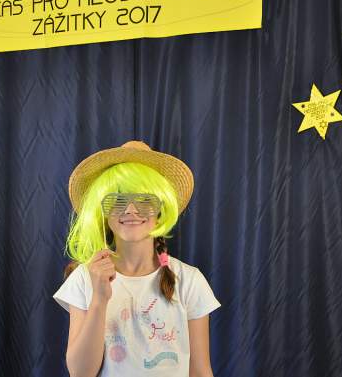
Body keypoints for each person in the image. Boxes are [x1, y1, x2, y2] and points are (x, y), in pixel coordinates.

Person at [53, 140, 221, 377]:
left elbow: (200, 371)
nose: (131, 210)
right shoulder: (85, 278)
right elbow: (80, 373)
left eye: (144, 200)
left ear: (161, 209)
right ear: (103, 211)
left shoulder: (189, 280)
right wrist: (99, 299)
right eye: (117, 200)